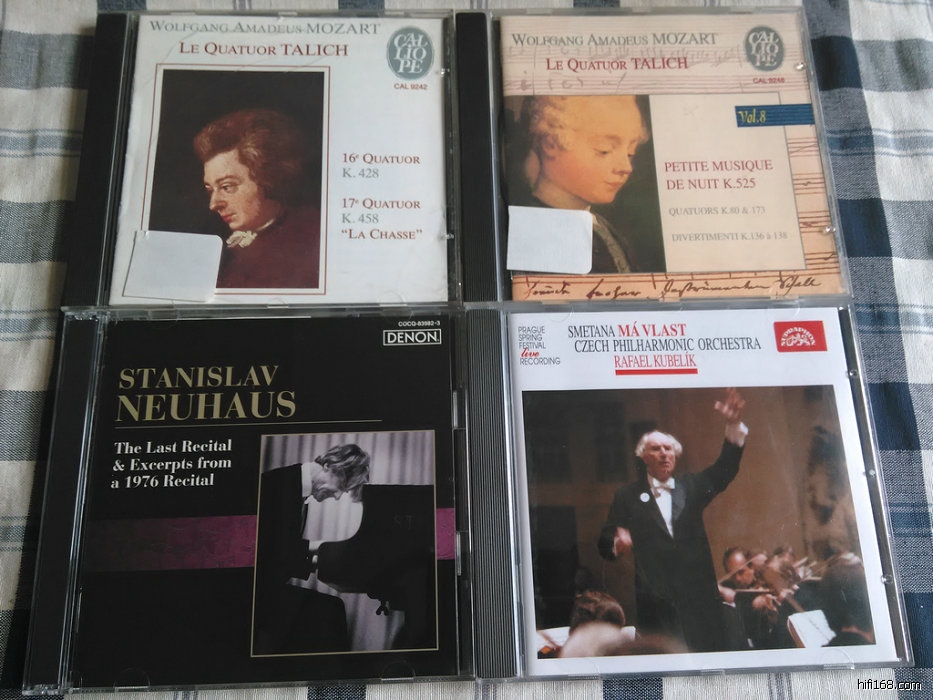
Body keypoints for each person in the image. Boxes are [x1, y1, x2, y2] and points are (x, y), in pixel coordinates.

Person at [597, 388, 748, 653]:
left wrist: (733, 424)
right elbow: (605, 542)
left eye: (668, 449)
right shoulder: (627, 496)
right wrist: (616, 542)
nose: (664, 454)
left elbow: (725, 468)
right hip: (657, 607)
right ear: (644, 456)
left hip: (700, 603)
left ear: (676, 455)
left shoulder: (691, 487)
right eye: (656, 449)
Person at [252, 444, 371, 655]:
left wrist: (323, 553)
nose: (337, 497)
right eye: (342, 486)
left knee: (331, 609)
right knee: (329, 612)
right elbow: (269, 553)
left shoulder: (297, 490)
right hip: (255, 593)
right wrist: (324, 553)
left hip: (268, 588)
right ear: (329, 465)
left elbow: (281, 547)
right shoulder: (276, 484)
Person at [517, 95, 651, 273]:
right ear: (551, 144)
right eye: (604, 150)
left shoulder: (603, 228)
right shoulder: (531, 231)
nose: (626, 167)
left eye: (630, 153)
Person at [193, 108, 321, 289]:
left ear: (267, 178)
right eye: (210, 190)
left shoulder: (311, 239)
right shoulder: (238, 246)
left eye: (227, 187)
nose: (213, 204)